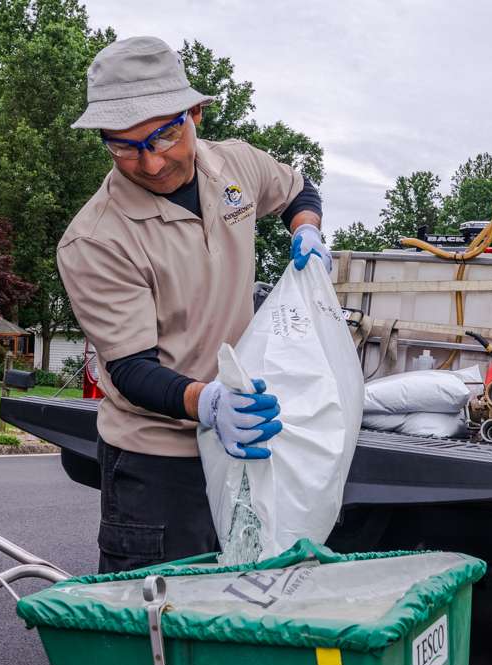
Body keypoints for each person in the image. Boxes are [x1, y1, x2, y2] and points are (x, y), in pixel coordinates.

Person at [57, 36, 330, 572]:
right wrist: (210, 405)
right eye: (124, 146)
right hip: (157, 464)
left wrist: (308, 232)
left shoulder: (236, 168)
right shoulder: (95, 240)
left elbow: (299, 190)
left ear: (195, 112)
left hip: (243, 452)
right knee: (155, 624)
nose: (151, 161)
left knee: (242, 606)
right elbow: (132, 369)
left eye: (164, 134)